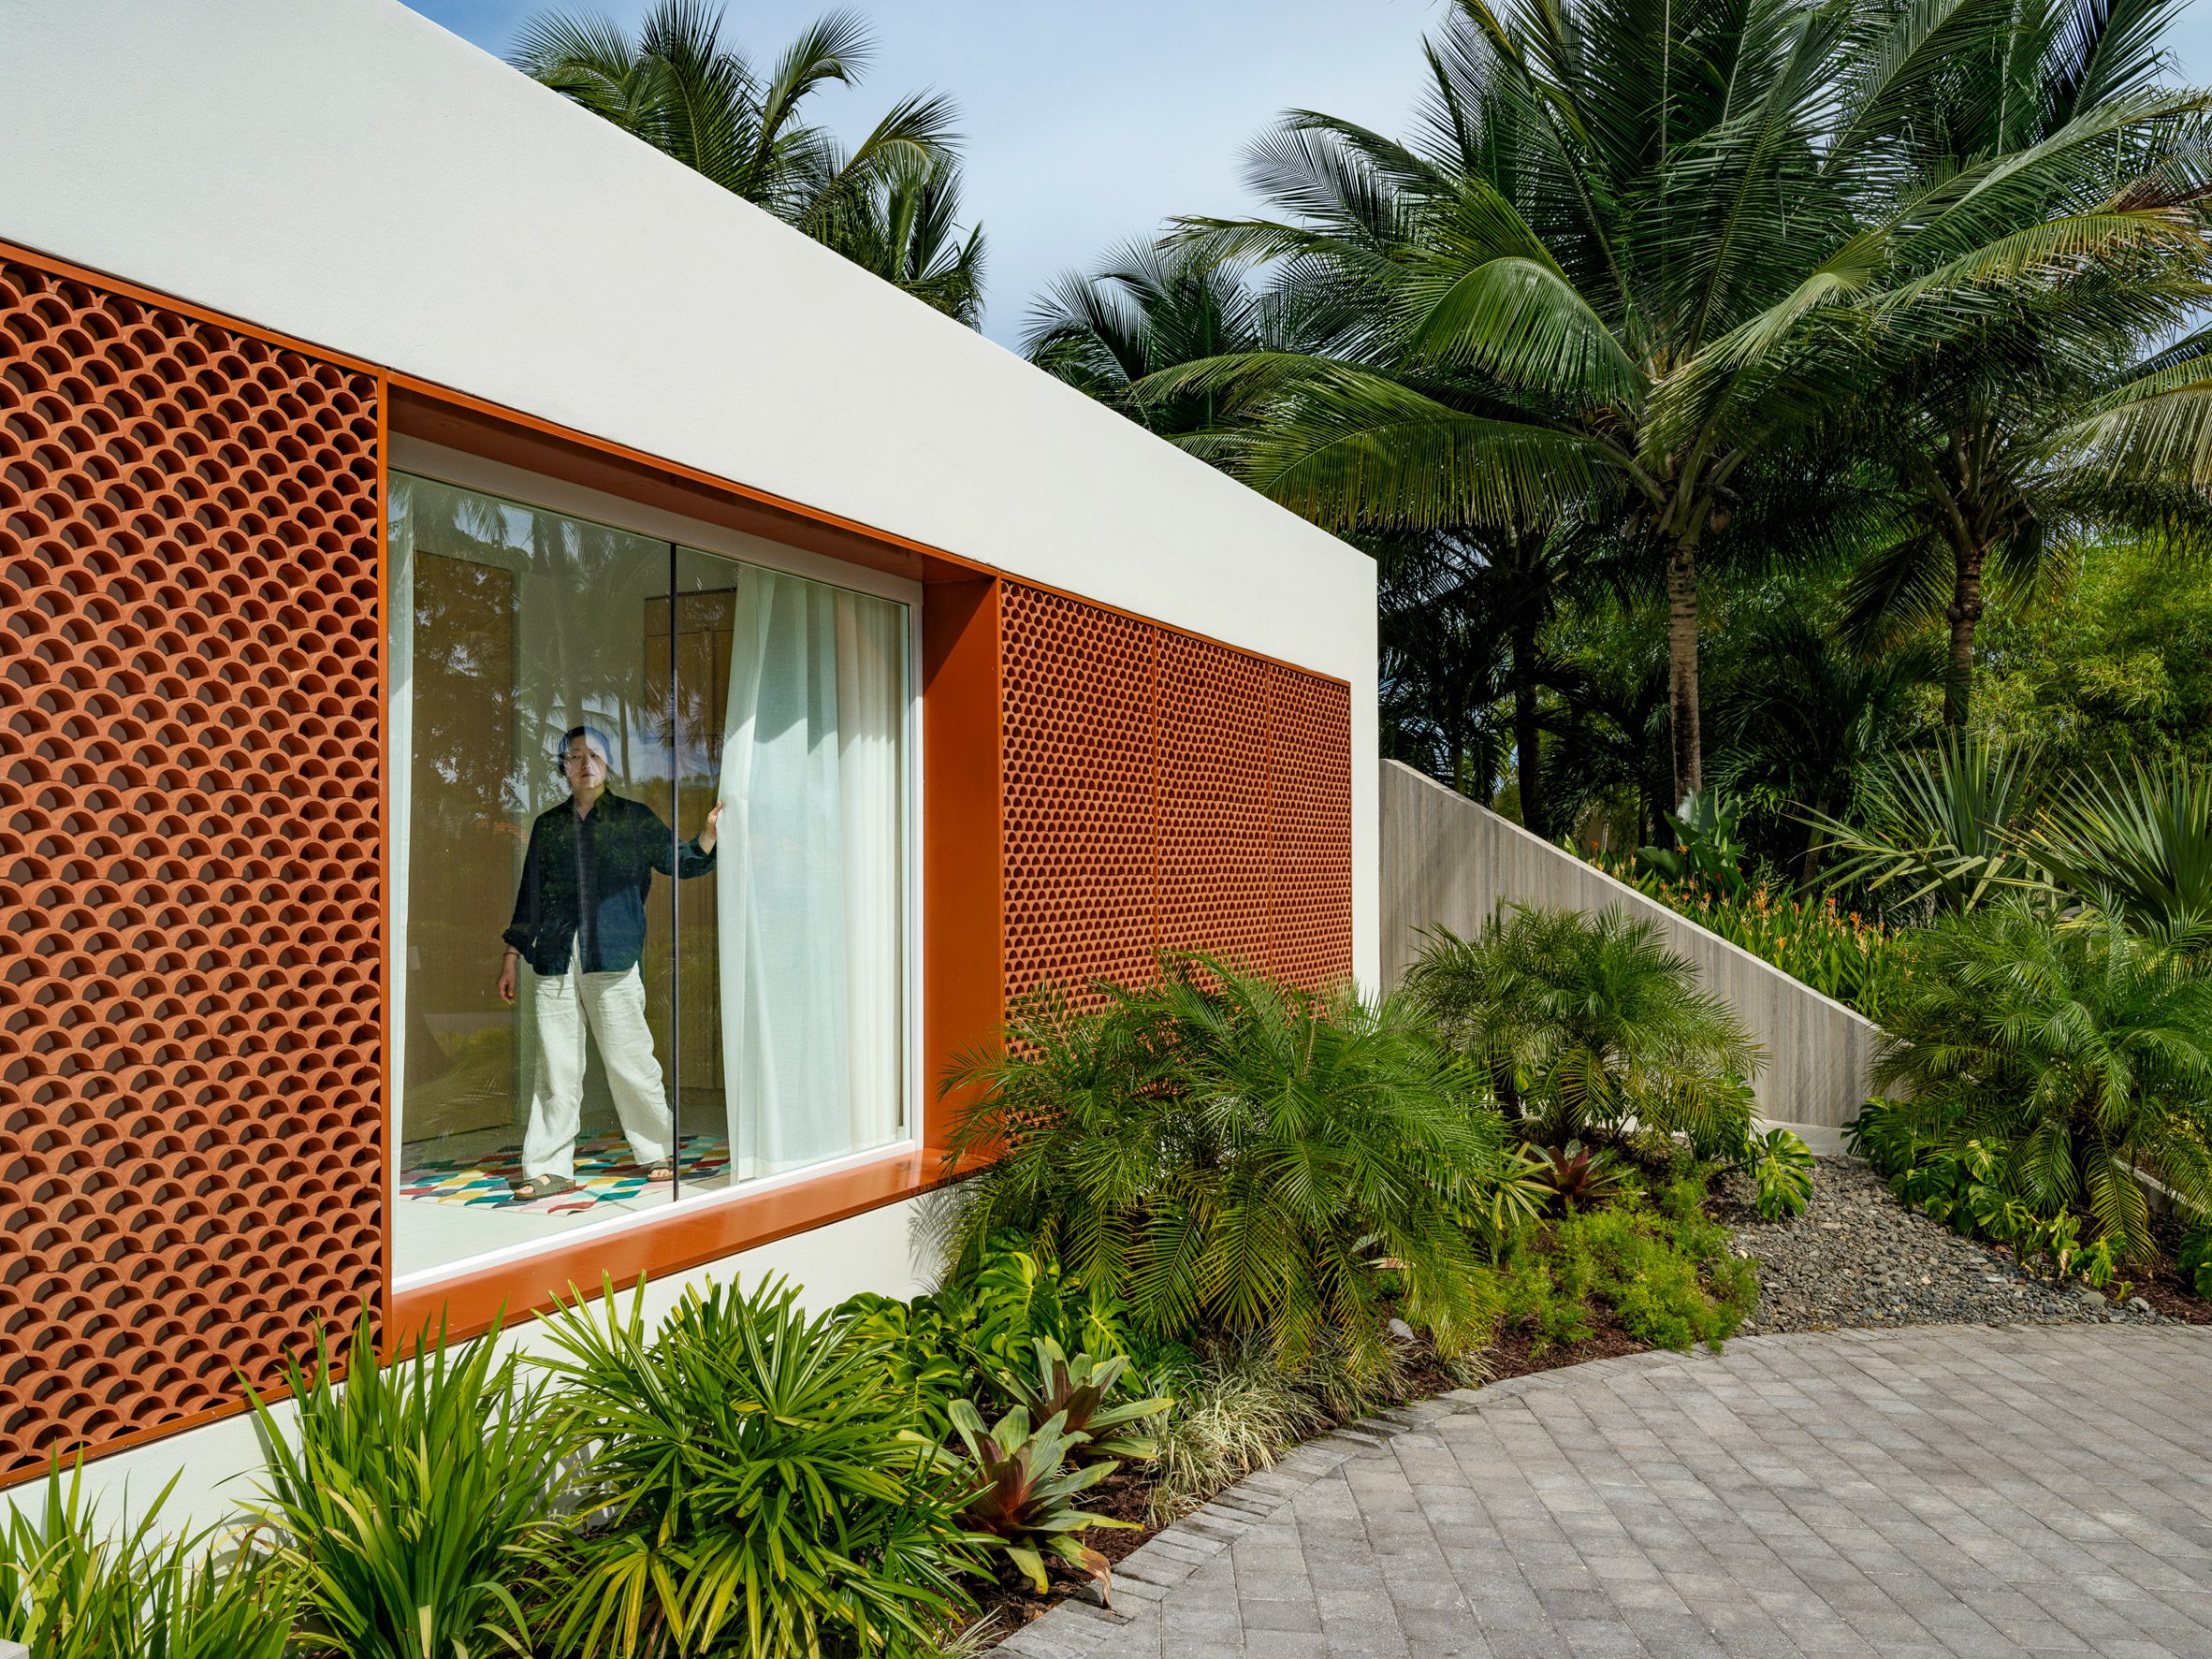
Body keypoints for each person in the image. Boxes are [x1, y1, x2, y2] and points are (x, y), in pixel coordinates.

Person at [496, 725, 720, 1201]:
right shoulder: (548, 826)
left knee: (630, 1059)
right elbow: (530, 896)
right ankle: (549, 1167)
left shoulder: (633, 819)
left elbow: (677, 861)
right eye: (575, 756)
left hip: (613, 957)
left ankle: (658, 1150)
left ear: (609, 764)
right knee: (555, 1069)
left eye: (595, 755)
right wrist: (512, 953)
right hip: (555, 959)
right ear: (564, 766)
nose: (585, 764)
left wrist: (706, 837)